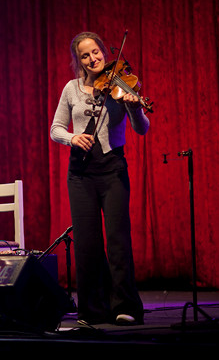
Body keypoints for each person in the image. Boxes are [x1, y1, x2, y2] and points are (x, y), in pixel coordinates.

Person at [50, 31, 149, 326]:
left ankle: (126, 305)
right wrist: (72, 137)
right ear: (78, 61)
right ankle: (92, 309)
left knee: (118, 239)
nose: (93, 59)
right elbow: (55, 128)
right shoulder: (72, 89)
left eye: (96, 53)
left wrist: (134, 107)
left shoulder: (120, 85)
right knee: (86, 243)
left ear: (104, 53)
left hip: (112, 169)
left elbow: (142, 129)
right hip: (80, 173)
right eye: (85, 56)